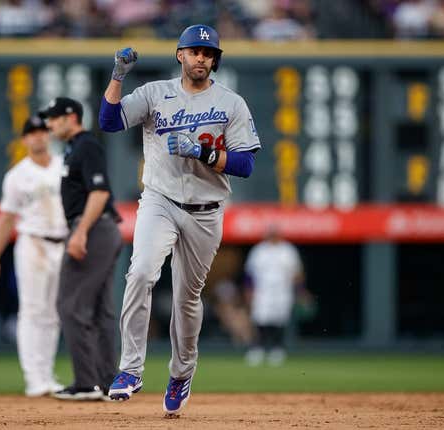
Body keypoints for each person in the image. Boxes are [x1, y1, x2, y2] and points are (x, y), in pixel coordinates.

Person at [98, 24, 261, 415]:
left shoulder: (231, 103)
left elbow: (246, 163)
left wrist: (203, 153)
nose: (201, 58)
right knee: (140, 273)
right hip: (160, 200)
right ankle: (130, 369)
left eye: (207, 53)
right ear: (180, 55)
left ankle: (181, 373)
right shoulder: (156, 93)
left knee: (188, 299)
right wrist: (117, 77)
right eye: (194, 51)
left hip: (206, 211)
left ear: (214, 60)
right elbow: (109, 121)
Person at [40, 97, 123, 401]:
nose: (49, 125)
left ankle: (87, 383)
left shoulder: (86, 145)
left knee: (70, 305)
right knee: (101, 310)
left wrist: (80, 233)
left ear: (71, 117)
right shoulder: (75, 148)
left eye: (54, 118)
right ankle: (107, 382)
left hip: (94, 227)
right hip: (102, 228)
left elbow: (99, 192)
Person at [0, 115, 67, 397]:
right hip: (32, 242)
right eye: (32, 132)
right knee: (32, 311)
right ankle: (34, 379)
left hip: (63, 243)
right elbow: (7, 219)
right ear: (24, 139)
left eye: (42, 131)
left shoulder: (64, 166)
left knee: (54, 313)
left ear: (49, 135)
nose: (38, 136)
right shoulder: (17, 175)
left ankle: (46, 374)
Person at [243, 226, 306, 367]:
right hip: (263, 290)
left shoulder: (288, 250)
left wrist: (300, 291)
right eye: (271, 234)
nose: (272, 236)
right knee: (260, 319)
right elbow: (249, 275)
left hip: (283, 291)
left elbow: (297, 273)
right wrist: (249, 292)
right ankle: (257, 349)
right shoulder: (259, 250)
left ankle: (277, 350)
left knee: (280, 320)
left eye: (275, 234)